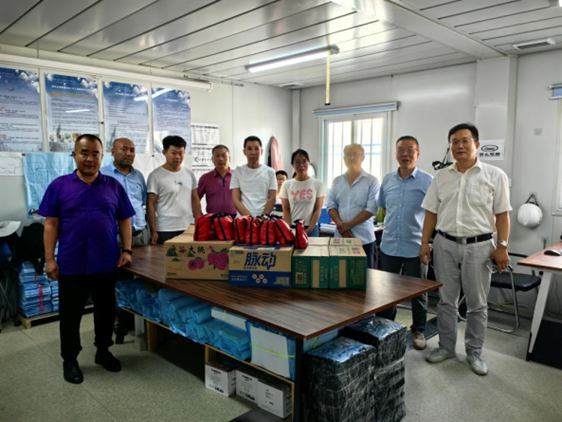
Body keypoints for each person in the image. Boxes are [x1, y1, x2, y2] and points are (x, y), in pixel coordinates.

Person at [39, 134, 135, 384]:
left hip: (105, 262)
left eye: (95, 154)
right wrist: (49, 259)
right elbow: (50, 224)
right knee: (70, 316)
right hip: (72, 263)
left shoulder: (113, 186)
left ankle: (103, 351)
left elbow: (125, 219)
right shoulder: (59, 186)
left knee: (106, 312)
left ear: (102, 157)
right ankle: (70, 360)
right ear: (74, 155)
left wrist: (127, 250)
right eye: (84, 153)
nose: (90, 158)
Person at [420, 123, 511, 376]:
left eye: (465, 141)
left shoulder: (495, 175)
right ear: (450, 146)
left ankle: (474, 352)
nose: (459, 146)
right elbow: (431, 213)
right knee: (446, 301)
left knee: (477, 304)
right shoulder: (441, 177)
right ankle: (446, 347)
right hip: (445, 244)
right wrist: (425, 243)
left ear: (477, 145)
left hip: (479, 246)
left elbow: (503, 215)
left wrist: (502, 246)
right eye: (454, 142)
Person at [376, 136, 433, 350]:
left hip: (415, 246)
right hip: (389, 244)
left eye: (410, 150)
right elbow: (384, 208)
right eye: (401, 150)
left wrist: (427, 243)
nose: (405, 154)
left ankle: (418, 329)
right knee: (386, 291)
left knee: (418, 292)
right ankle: (385, 328)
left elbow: (433, 214)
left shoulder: (428, 180)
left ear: (418, 153)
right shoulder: (387, 179)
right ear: (395, 153)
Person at [325, 144, 380, 268]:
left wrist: (347, 225)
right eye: (348, 155)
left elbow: (371, 209)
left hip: (364, 239)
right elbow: (331, 205)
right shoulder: (337, 181)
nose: (351, 158)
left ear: (363, 157)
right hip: (340, 239)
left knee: (366, 276)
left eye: (355, 154)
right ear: (344, 158)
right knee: (340, 274)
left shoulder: (372, 181)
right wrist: (341, 225)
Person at [147, 135, 202, 245]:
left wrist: (199, 223)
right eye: (173, 153)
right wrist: (153, 230)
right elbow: (151, 204)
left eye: (181, 153)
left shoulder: (189, 174)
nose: (178, 157)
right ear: (164, 152)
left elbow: (195, 200)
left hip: (188, 226)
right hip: (165, 229)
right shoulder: (155, 176)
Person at [101, 137, 148, 246]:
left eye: (132, 150)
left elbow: (142, 202)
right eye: (124, 149)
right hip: (115, 236)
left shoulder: (139, 176)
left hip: (141, 234)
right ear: (113, 152)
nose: (129, 153)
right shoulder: (102, 175)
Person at [279, 149, 326, 237]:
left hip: (312, 228)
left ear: (309, 163)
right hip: (293, 228)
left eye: (304, 161)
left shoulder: (318, 184)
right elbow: (286, 209)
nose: (301, 165)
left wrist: (309, 229)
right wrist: (289, 228)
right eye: (297, 162)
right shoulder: (286, 185)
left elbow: (318, 209)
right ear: (292, 165)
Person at [231, 136, 277, 216]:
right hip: (243, 219)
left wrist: (262, 218)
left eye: (256, 148)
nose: (253, 152)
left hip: (264, 219)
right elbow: (235, 199)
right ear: (244, 151)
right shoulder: (238, 171)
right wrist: (249, 218)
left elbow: (272, 198)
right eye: (249, 149)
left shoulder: (270, 172)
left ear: (261, 151)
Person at [197, 144, 237, 215]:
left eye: (223, 156)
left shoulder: (237, 176)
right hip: (213, 219)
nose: (221, 159)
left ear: (229, 158)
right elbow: (195, 199)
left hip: (234, 218)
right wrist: (199, 214)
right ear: (212, 159)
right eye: (217, 156)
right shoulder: (205, 178)